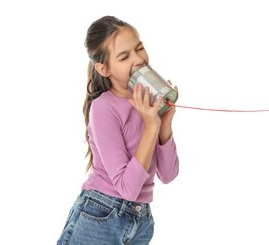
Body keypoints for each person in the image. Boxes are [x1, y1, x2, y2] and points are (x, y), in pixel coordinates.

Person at [56, 16, 179, 245]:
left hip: (141, 220)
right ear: (104, 69)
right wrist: (150, 127)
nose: (139, 60)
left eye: (139, 48)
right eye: (124, 57)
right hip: (101, 215)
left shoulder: (147, 106)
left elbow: (169, 174)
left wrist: (163, 126)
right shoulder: (104, 108)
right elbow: (127, 188)